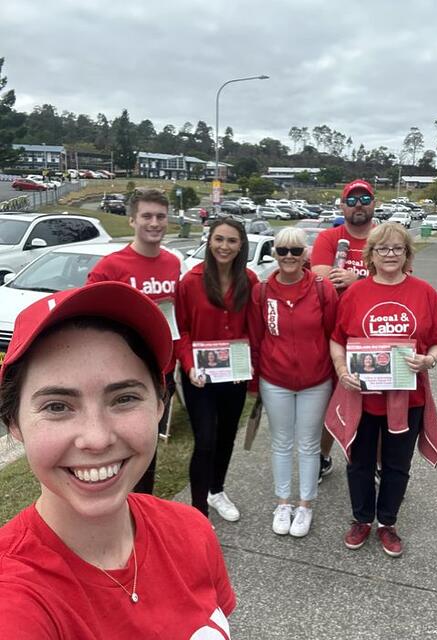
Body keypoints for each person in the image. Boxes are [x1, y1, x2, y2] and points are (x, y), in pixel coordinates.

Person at [0, 282, 235, 639]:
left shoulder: (192, 530)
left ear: (159, 403)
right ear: (14, 422)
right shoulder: (14, 598)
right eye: (57, 406)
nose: (96, 439)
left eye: (124, 398)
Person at [326, 222, 437, 557]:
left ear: (407, 253)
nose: (390, 254)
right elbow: (337, 340)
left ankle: (387, 522)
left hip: (407, 397)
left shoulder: (425, 293)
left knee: (398, 465)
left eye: (397, 248)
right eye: (382, 248)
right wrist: (342, 370)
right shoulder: (355, 293)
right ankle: (361, 519)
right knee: (359, 462)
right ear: (370, 254)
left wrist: (429, 360)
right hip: (363, 395)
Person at [87, 188, 182, 494]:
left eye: (160, 216)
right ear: (132, 220)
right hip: (121, 375)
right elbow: (89, 321)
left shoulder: (172, 263)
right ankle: (114, 507)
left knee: (147, 447)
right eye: (147, 216)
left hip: (161, 373)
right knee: (117, 448)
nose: (154, 223)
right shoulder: (110, 268)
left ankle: (142, 510)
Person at [248, 227, 337, 537]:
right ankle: (283, 502)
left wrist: (336, 376)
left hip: (316, 379)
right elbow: (257, 339)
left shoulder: (323, 290)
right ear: (274, 253)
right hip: (275, 380)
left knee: (310, 445)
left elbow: (333, 334)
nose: (288, 256)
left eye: (295, 251)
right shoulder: (261, 292)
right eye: (282, 250)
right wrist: (255, 381)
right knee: (282, 443)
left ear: (305, 255)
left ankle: (305, 505)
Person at [176, 217, 257, 522]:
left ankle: (216, 490)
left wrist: (248, 362)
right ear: (209, 242)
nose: (225, 246)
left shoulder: (249, 281)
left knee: (225, 438)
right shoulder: (190, 282)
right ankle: (199, 510)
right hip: (200, 377)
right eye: (219, 239)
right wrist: (188, 364)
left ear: (241, 245)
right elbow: (182, 330)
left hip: (233, 375)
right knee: (205, 439)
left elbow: (253, 328)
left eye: (232, 241)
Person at [311, 179, 376, 482]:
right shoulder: (329, 238)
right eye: (351, 200)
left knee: (376, 404)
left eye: (364, 199)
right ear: (342, 205)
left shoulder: (384, 237)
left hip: (375, 335)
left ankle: (374, 462)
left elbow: (400, 279)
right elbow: (323, 280)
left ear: (373, 203)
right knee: (328, 400)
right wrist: (370, 282)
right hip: (332, 334)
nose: (358, 204)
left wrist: (357, 282)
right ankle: (324, 457)